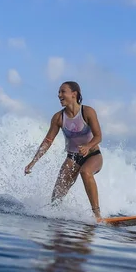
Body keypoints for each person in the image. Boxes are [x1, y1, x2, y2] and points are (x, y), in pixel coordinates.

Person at [24, 81, 104, 221]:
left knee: (85, 172)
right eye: (59, 92)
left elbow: (98, 136)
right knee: (57, 196)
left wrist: (87, 146)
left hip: (93, 155)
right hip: (72, 157)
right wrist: (33, 162)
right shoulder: (58, 118)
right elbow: (48, 141)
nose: (59, 95)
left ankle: (97, 215)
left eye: (63, 91)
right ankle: (55, 216)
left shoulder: (87, 112)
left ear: (74, 94)